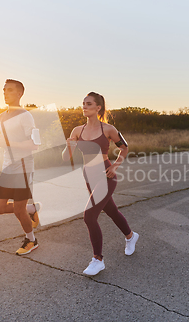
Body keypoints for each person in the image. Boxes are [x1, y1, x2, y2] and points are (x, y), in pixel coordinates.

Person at [62, 92, 139, 276]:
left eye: (89, 104)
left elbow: (124, 148)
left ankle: (98, 260)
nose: (84, 107)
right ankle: (130, 236)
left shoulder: (108, 129)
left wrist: (115, 166)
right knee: (111, 210)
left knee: (89, 216)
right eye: (83, 104)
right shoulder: (76, 131)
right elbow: (66, 158)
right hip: (89, 175)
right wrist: (69, 146)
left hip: (106, 175)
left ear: (98, 108)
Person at [0, 79, 42, 255]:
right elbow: (7, 141)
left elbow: (35, 145)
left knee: (18, 211)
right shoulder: (2, 116)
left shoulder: (26, 116)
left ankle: (31, 240)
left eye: (10, 90)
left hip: (23, 168)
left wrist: (8, 143)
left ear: (19, 94)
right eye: (4, 89)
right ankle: (32, 209)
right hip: (7, 167)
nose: (5, 93)